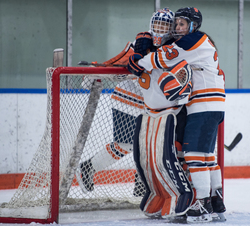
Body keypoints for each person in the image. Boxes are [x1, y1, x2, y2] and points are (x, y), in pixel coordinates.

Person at [75, 8, 187, 198]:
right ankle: (88, 168)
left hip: (150, 106)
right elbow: (118, 60)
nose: (159, 29)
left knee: (150, 146)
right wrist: (97, 68)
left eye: (164, 25)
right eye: (157, 24)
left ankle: (141, 184)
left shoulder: (174, 49)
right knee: (125, 144)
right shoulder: (141, 43)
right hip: (126, 100)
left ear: (171, 28)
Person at [128, 6, 226, 223]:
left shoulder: (191, 41)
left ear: (193, 26)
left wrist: (138, 60)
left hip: (204, 105)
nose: (178, 28)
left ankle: (200, 206)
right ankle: (215, 201)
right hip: (210, 105)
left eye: (182, 24)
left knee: (193, 156)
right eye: (177, 24)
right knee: (207, 157)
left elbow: (160, 58)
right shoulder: (198, 42)